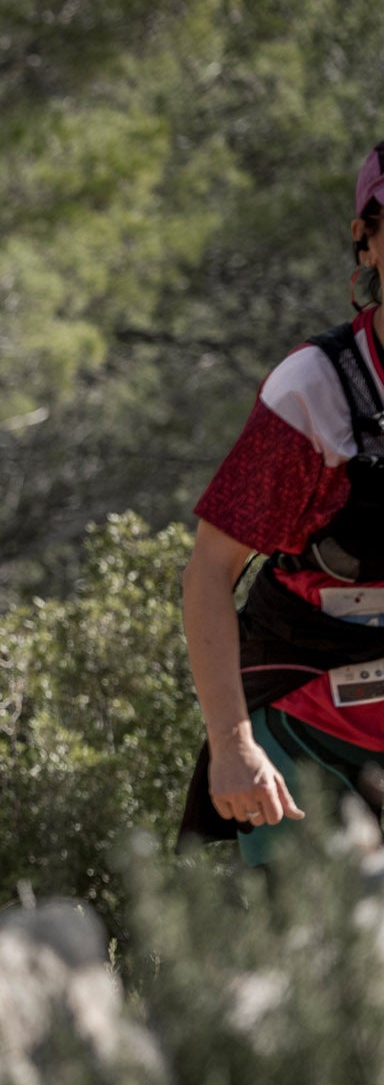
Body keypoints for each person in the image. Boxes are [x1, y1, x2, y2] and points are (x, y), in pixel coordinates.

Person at [179, 144, 384, 861]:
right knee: (310, 955)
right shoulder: (314, 392)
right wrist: (232, 746)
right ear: (367, 240)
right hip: (306, 721)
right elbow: (209, 571)